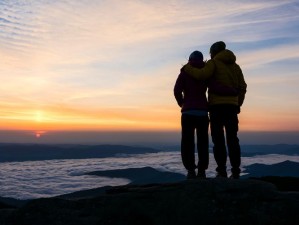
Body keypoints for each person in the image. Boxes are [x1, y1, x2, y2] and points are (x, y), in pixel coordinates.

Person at [183, 41, 247, 179]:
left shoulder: (213, 63)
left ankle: (222, 171)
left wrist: (187, 68)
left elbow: (201, 75)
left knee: (218, 140)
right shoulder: (236, 67)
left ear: (213, 52)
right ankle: (235, 170)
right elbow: (243, 87)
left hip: (216, 107)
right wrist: (238, 104)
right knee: (233, 139)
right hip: (231, 107)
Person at [174, 50, 209, 179]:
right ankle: (202, 170)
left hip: (188, 112)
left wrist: (182, 103)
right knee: (203, 142)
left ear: (189, 60)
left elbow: (177, 90)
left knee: (187, 142)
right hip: (203, 112)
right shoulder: (206, 72)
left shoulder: (184, 73)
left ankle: (190, 170)